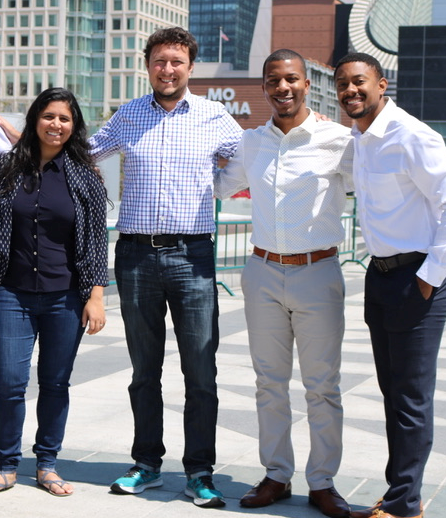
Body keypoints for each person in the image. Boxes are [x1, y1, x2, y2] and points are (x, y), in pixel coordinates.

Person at [88, 27, 243, 508]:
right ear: (148, 65)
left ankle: (199, 471)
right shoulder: (128, 114)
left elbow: (257, 155)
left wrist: (315, 125)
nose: (168, 69)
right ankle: (147, 464)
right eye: (160, 61)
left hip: (192, 256)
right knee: (143, 370)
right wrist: (24, 135)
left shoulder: (215, 116)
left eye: (177, 61)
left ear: (190, 67)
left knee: (201, 369)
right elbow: (82, 152)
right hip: (135, 256)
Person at [214, 49, 353, 518]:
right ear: (265, 88)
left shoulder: (340, 139)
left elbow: (380, 185)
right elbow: (215, 185)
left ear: (307, 85)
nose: (283, 88)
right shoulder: (251, 143)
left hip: (318, 271)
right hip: (263, 271)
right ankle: (276, 474)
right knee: (269, 383)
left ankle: (322, 482)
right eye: (274, 81)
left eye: (291, 79)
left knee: (323, 386)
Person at [334, 52, 446, 518]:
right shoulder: (359, 139)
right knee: (392, 392)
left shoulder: (412, 136)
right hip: (380, 278)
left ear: (382, 84)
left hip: (415, 278)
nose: (350, 91)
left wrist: (429, 278)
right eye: (342, 85)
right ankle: (400, 492)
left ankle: (404, 504)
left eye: (360, 82)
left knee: (411, 397)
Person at [0, 88, 108, 496]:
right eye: (48, 116)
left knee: (55, 383)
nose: (56, 125)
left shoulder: (86, 177)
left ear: (74, 125)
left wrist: (95, 297)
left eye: (64, 118)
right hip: (12, 293)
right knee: (9, 381)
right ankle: (7, 461)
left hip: (66, 297)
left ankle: (46, 463)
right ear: (35, 120)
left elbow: (96, 242)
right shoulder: (8, 170)